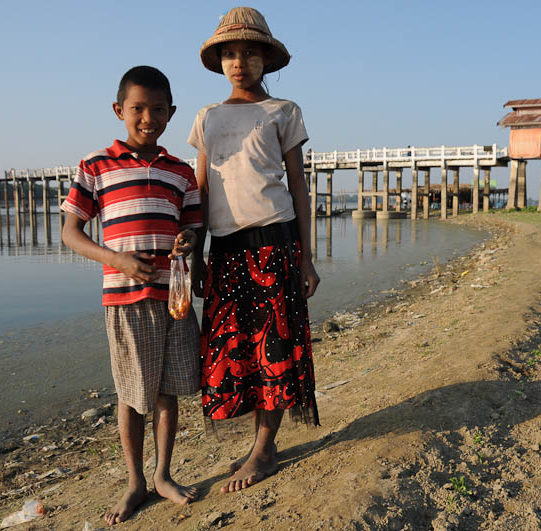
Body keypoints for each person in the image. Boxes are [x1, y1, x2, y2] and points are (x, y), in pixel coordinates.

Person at [61, 66, 203, 525]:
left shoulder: (181, 172)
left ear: (171, 113)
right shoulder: (96, 165)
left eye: (158, 109)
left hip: (173, 296)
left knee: (167, 390)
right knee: (131, 391)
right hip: (124, 297)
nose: (148, 117)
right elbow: (70, 232)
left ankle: (162, 473)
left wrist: (187, 243)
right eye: (138, 109)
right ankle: (135, 481)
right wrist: (116, 260)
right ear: (119, 110)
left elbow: (194, 232)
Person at [188, 7, 320, 494]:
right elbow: (202, 190)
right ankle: (257, 442)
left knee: (275, 349)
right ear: (219, 61)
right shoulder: (208, 118)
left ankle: (265, 449)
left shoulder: (283, 111)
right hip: (225, 252)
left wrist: (307, 257)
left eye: (248, 52)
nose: (238, 62)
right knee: (232, 351)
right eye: (229, 53)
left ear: (266, 58)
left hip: (275, 244)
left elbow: (299, 188)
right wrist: (198, 253)